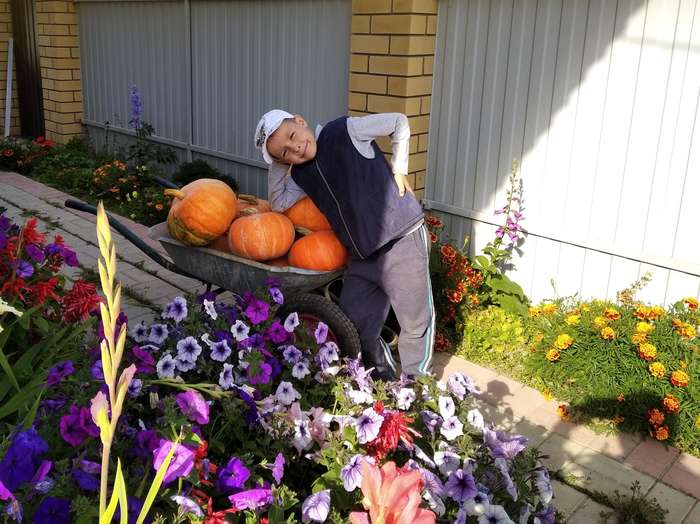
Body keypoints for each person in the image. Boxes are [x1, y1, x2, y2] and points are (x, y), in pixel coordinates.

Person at [254, 109, 434, 380]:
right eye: (286, 153)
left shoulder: (344, 131)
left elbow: (398, 122)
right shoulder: (303, 174)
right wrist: (277, 160)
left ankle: (417, 385)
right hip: (362, 255)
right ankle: (384, 379)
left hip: (402, 237)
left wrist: (399, 169)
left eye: (293, 135)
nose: (296, 148)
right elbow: (278, 202)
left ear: (301, 121)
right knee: (355, 323)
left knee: (414, 320)